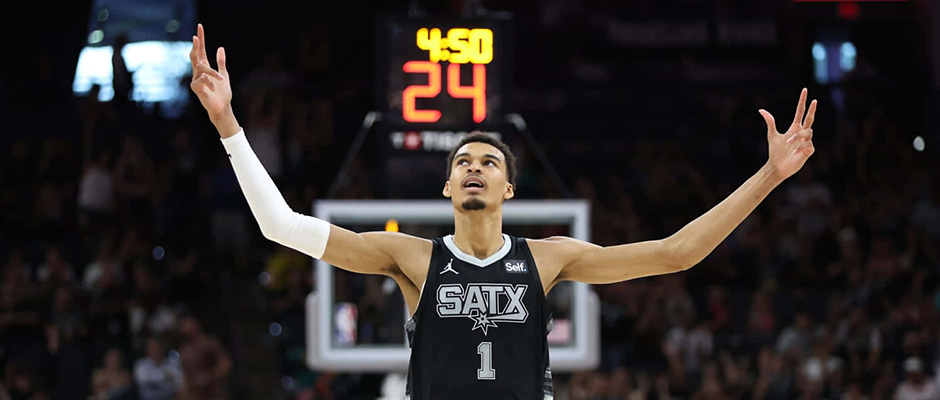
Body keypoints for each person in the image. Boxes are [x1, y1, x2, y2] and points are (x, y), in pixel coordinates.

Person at [188, 23, 818, 400]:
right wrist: (228, 124)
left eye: (489, 161)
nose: (474, 167)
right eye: (462, 161)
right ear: (446, 187)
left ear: (509, 190)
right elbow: (280, 227)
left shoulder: (547, 260)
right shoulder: (412, 258)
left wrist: (769, 175)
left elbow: (677, 253)